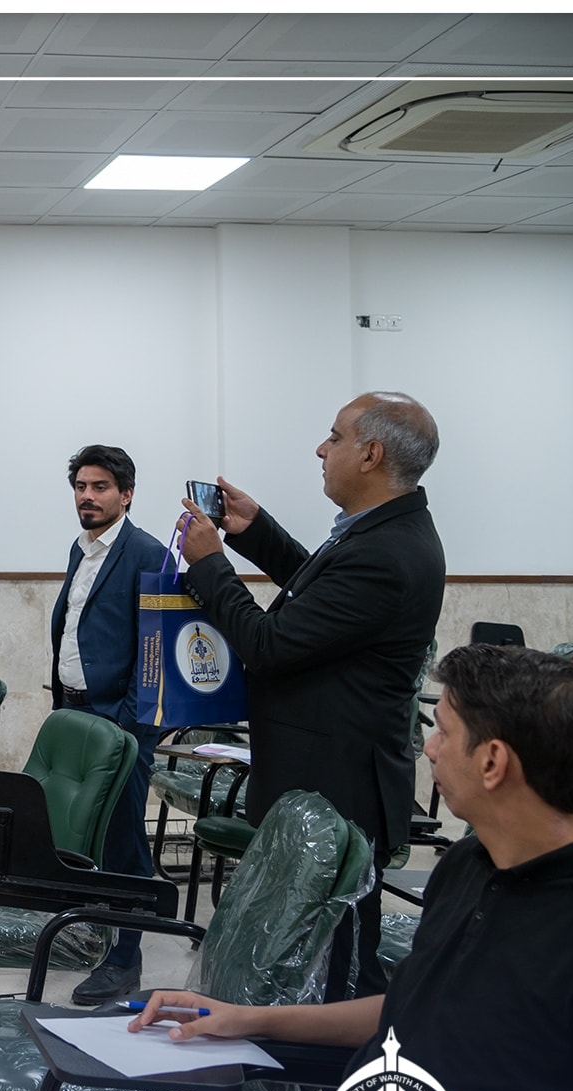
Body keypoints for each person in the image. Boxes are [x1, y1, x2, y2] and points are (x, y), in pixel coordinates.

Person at [0, 644, 573, 1091]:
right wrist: (244, 1017)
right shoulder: (471, 865)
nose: (427, 747)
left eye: (444, 733)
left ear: (492, 763)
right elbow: (412, 1006)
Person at [179, 392, 445, 996]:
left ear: (371, 454)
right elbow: (320, 597)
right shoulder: (378, 531)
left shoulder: (389, 553)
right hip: (323, 771)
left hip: (339, 784)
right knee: (300, 955)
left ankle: (350, 1049)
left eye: (335, 437)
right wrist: (256, 532)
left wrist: (210, 565)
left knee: (337, 963)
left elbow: (269, 644)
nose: (321, 450)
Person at [49, 445, 168, 1005]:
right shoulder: (82, 550)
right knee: (84, 834)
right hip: (75, 712)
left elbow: (155, 655)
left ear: (127, 494)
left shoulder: (146, 553)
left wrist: (124, 729)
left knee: (123, 842)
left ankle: (125, 960)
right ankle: (95, 935)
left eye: (100, 487)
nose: (87, 496)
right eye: (81, 486)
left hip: (117, 723)